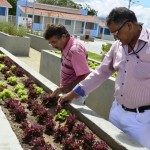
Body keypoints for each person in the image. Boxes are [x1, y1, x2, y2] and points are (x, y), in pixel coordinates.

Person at [57, 7, 150, 149]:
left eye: (115, 32)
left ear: (129, 25)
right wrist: (72, 94)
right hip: (116, 112)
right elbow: (100, 73)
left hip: (141, 120)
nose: (114, 37)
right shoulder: (117, 46)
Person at [43, 24, 90, 98]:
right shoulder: (65, 45)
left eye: (54, 42)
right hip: (67, 90)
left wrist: (63, 89)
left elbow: (85, 75)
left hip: (75, 94)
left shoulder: (75, 50)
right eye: (50, 43)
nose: (53, 46)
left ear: (63, 37)